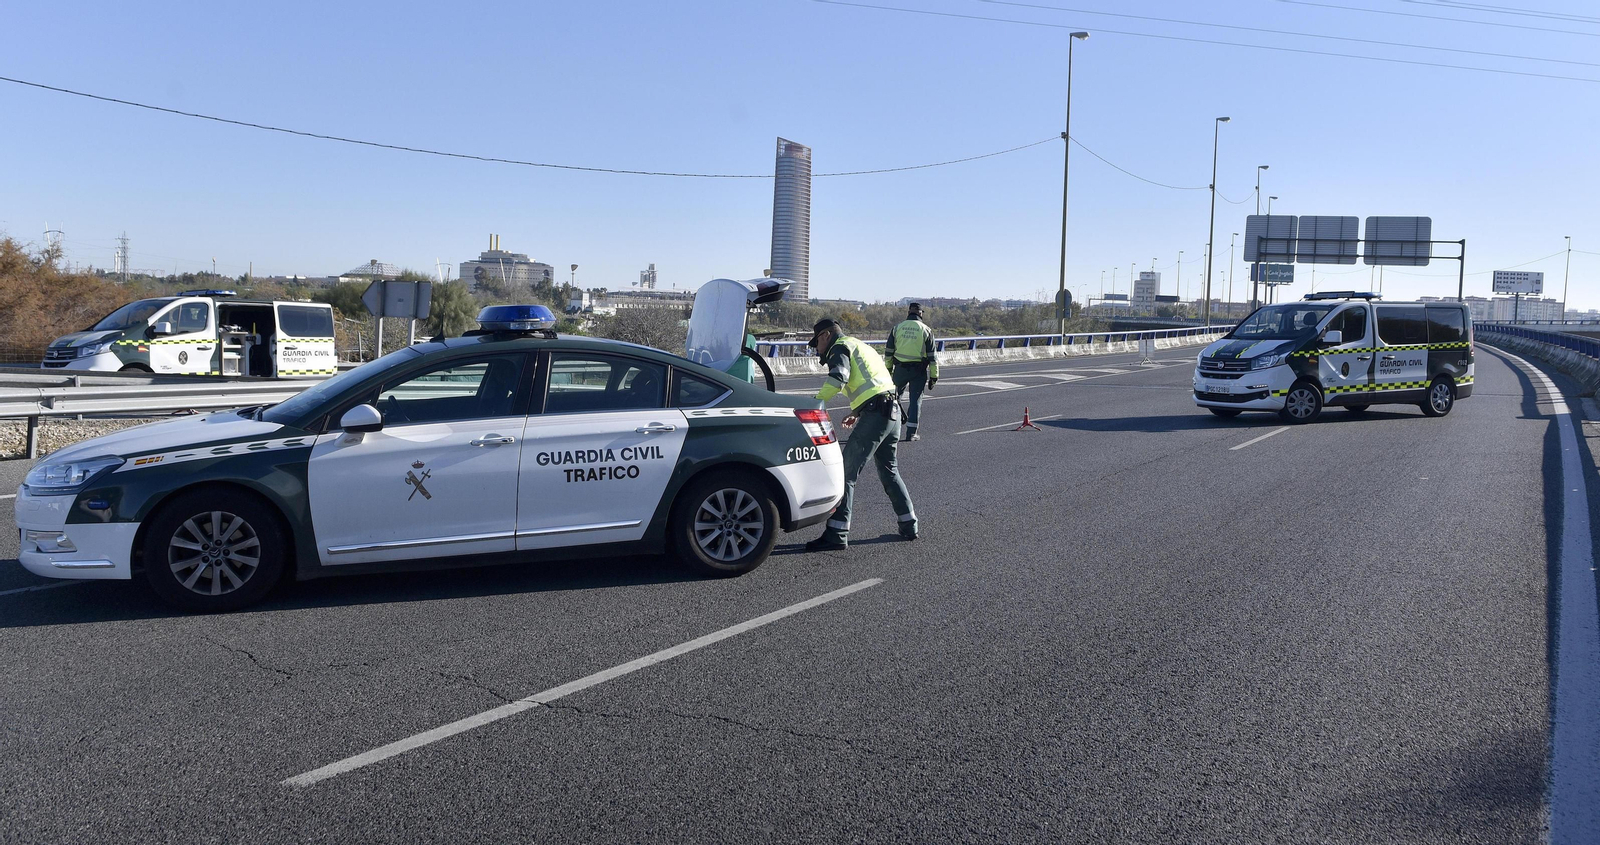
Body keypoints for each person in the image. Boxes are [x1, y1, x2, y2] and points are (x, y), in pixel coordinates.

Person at [805, 318, 917, 550]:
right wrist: (857, 411)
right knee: (889, 471)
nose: (817, 348)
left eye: (816, 342)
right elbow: (875, 381)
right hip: (891, 412)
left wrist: (813, 405)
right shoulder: (860, 345)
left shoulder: (840, 347)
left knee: (846, 472)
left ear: (825, 335)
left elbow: (838, 378)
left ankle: (837, 534)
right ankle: (909, 524)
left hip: (877, 413)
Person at [885, 302, 939, 441]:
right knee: (915, 401)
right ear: (921, 313)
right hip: (918, 371)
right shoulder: (926, 330)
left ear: (908, 312)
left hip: (900, 370)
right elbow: (933, 357)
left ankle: (889, 430)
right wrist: (934, 377)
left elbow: (889, 353)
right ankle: (911, 433)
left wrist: (888, 371)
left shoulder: (897, 328)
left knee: (894, 400)